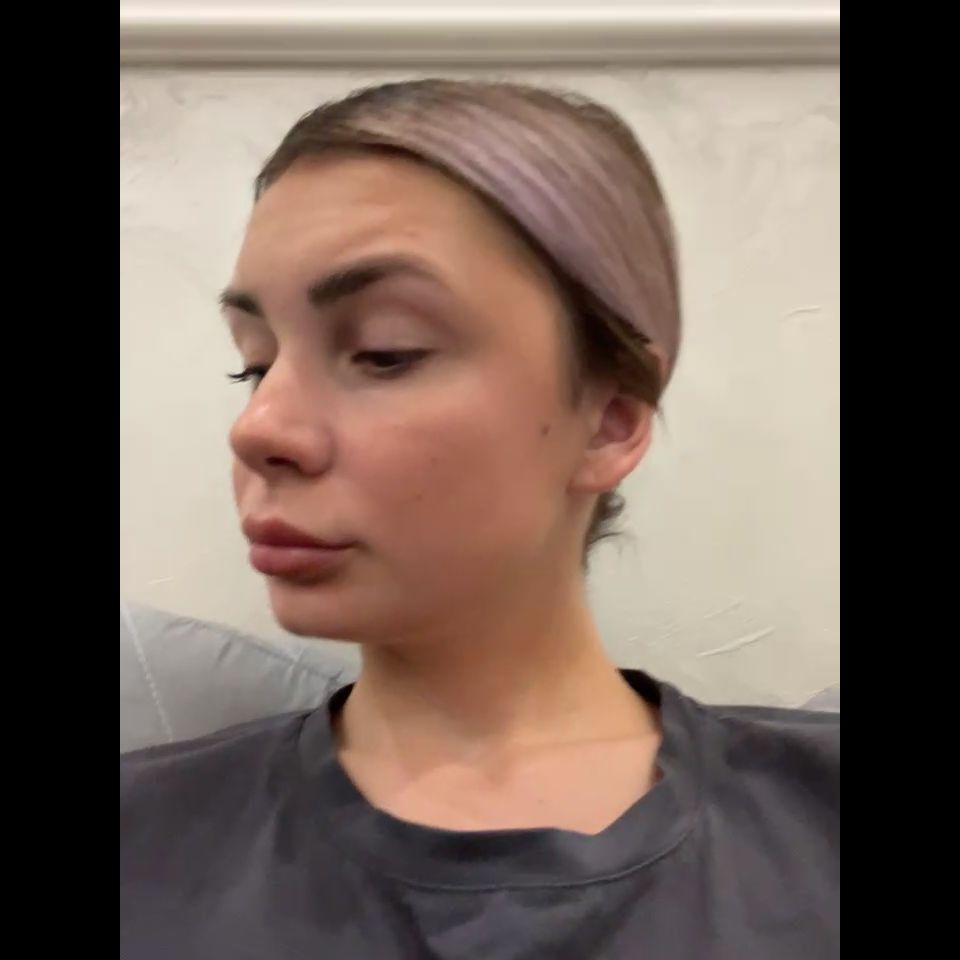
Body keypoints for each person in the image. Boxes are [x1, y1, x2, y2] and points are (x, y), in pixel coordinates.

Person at [120, 79, 839, 959]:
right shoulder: (145, 845)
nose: (258, 427)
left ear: (609, 422)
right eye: (255, 364)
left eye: (385, 351)